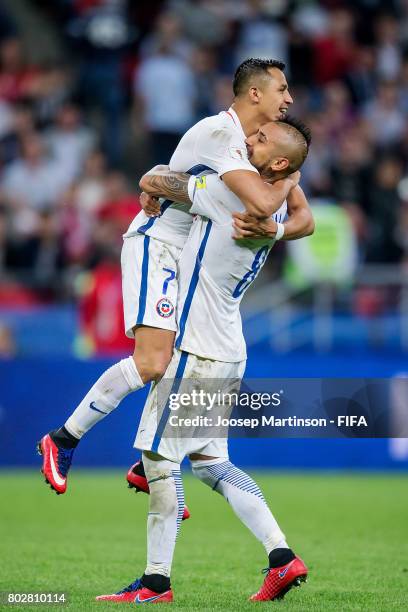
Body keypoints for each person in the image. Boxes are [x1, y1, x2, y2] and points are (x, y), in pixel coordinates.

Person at [37, 58, 312, 495]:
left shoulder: (257, 146)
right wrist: (290, 178)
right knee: (152, 362)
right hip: (157, 246)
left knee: (178, 361)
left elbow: (305, 220)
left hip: (185, 259)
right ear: (255, 94)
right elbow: (261, 201)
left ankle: (150, 470)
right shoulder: (222, 135)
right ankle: (62, 439)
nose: (290, 98)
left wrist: (277, 226)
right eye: (282, 89)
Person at [96, 117, 312, 604]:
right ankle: (282, 558)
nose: (246, 142)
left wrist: (153, 182)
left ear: (276, 163)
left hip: (196, 351)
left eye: (258, 141)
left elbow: (157, 182)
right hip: (229, 349)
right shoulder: (267, 213)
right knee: (213, 464)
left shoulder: (230, 196)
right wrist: (291, 186)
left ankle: (155, 584)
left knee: (157, 458)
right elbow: (304, 218)